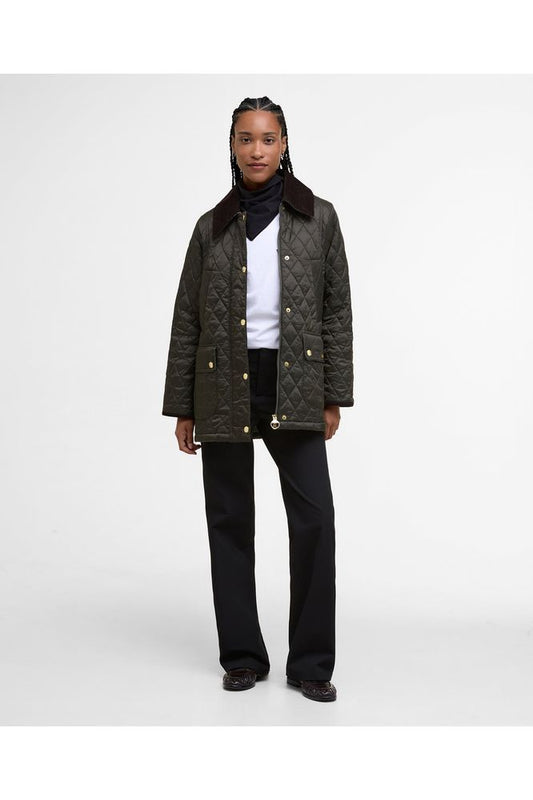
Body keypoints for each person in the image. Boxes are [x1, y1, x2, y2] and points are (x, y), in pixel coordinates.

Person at [162, 96, 354, 702]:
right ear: (232, 146)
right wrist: (184, 405)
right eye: (245, 139)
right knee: (229, 520)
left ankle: (312, 665)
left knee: (315, 520)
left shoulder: (319, 218)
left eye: (268, 139)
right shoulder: (210, 227)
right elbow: (187, 319)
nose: (256, 150)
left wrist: (333, 394)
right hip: (223, 383)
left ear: (284, 144)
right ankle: (242, 656)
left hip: (295, 380)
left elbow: (336, 311)